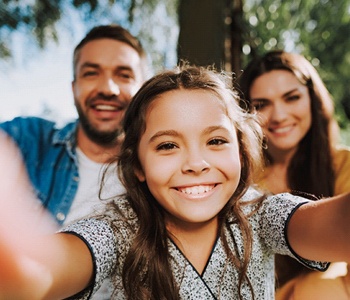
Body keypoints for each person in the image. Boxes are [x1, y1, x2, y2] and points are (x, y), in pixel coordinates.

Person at [1, 65, 350, 300]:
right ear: (137, 165)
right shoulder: (118, 229)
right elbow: (44, 270)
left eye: (216, 141)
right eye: (168, 146)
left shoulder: (261, 214)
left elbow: (335, 226)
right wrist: (22, 262)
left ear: (241, 153)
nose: (196, 164)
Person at [0, 24, 149, 300]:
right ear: (74, 87)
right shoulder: (28, 140)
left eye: (124, 74)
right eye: (91, 73)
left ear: (143, 90)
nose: (108, 88)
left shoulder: (161, 171)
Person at [238, 50, 350, 299]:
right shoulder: (238, 181)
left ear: (313, 100)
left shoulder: (343, 164)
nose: (278, 116)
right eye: (261, 104)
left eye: (291, 98)